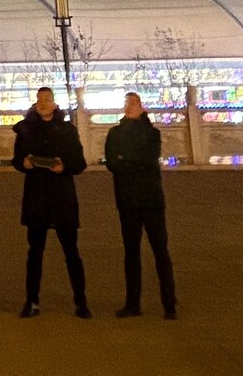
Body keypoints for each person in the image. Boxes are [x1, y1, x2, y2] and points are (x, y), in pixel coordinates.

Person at [11, 84, 89, 318]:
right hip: (36, 196)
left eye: (48, 98)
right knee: (35, 252)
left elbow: (80, 163)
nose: (44, 102)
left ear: (55, 103)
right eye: (40, 99)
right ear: (35, 103)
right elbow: (16, 159)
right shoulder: (25, 130)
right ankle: (31, 301)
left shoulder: (66, 130)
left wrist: (64, 166)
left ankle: (81, 302)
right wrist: (22, 164)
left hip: (61, 195)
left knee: (71, 252)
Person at [104, 91, 177, 319]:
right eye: (127, 103)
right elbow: (112, 162)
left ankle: (169, 304)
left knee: (160, 252)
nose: (130, 106)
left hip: (151, 200)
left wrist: (126, 159)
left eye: (134, 103)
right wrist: (128, 161)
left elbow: (148, 158)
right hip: (127, 201)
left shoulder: (151, 133)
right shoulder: (115, 133)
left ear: (142, 107)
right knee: (131, 253)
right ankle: (132, 303)